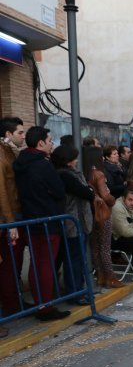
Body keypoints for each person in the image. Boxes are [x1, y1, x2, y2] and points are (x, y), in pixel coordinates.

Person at [13, 126, 71, 321]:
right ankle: (45, 307)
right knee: (45, 265)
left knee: (36, 264)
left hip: (30, 219)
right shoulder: (43, 164)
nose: (51, 144)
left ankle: (41, 303)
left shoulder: (20, 162)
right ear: (40, 143)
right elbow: (59, 191)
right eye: (49, 140)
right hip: (47, 220)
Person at [51, 145, 94, 305]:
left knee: (76, 259)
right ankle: (75, 293)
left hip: (79, 223)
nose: (77, 160)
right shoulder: (66, 176)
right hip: (73, 224)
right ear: (68, 161)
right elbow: (87, 193)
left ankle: (79, 290)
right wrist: (89, 190)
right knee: (73, 260)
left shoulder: (69, 174)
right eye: (74, 158)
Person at [84, 146, 124, 289]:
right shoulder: (99, 174)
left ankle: (100, 276)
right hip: (103, 212)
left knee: (95, 247)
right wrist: (112, 200)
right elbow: (106, 195)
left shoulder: (85, 172)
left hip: (92, 213)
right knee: (105, 247)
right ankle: (110, 277)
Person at [0, 118, 26, 330]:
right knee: (8, 264)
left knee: (13, 264)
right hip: (9, 218)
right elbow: (3, 192)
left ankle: (14, 302)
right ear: (8, 134)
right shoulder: (2, 155)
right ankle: (11, 304)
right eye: (20, 132)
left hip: (15, 215)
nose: (23, 136)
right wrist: (11, 223)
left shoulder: (11, 153)